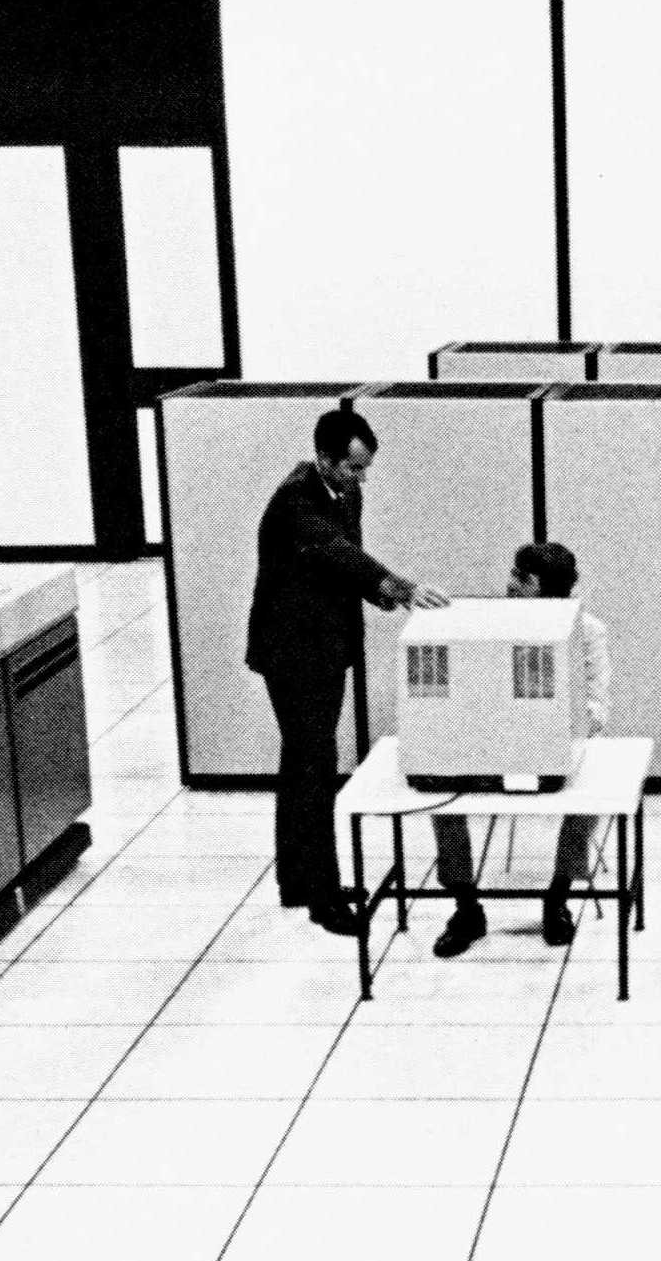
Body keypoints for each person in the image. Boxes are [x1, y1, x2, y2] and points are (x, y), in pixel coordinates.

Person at [245, 406, 451, 936]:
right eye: (353, 468)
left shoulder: (344, 490)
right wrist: (400, 587)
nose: (361, 479)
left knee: (303, 762)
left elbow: (347, 559)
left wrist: (384, 595)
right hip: (292, 651)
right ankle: (323, 896)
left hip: (325, 645)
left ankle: (297, 880)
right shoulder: (295, 499)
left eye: (365, 469)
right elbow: (334, 552)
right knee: (315, 765)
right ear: (323, 458)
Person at [430, 542, 610, 958]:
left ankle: (558, 897)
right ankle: (466, 907)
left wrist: (552, 722)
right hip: (489, 740)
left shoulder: (588, 631)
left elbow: (597, 710)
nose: (510, 584)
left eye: (522, 579)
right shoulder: (486, 623)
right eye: (513, 573)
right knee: (439, 794)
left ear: (548, 590)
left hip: (555, 744)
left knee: (590, 799)